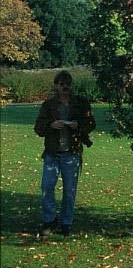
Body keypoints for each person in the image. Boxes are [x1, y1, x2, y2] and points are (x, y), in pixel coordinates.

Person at [34, 70, 96, 237]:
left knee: (69, 190)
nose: (65, 87)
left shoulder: (81, 103)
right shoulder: (48, 105)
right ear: (56, 85)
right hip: (52, 153)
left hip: (72, 152)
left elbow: (91, 123)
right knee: (47, 187)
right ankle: (50, 221)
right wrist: (51, 125)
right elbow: (38, 128)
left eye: (68, 83)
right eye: (62, 84)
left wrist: (79, 125)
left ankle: (66, 223)